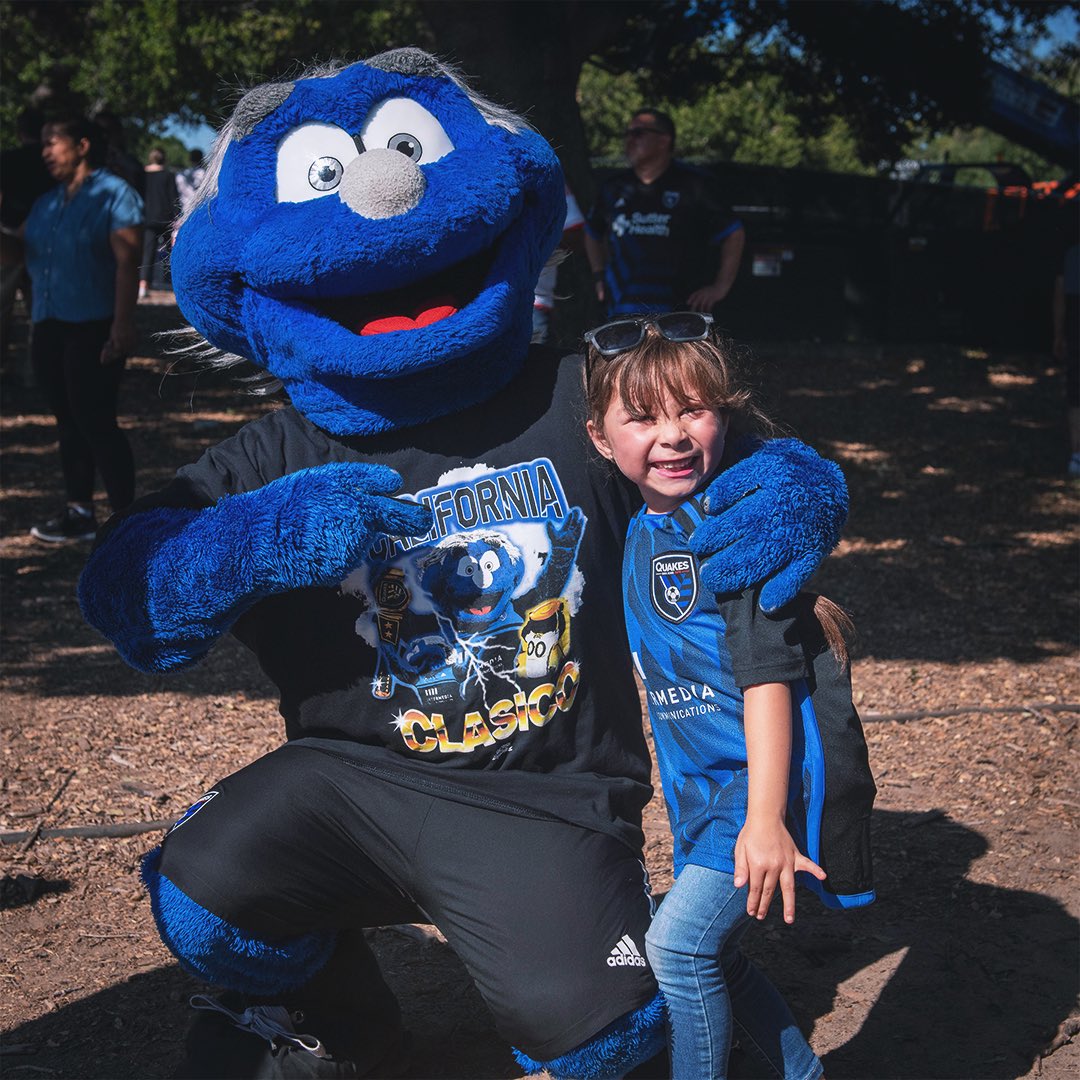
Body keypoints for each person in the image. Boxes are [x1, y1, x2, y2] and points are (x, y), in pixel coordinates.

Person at [77, 50, 849, 1080]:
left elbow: (749, 460)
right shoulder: (278, 454)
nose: (381, 193)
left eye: (408, 153)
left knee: (599, 1032)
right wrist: (249, 542)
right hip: (344, 782)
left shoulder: (582, 398)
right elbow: (124, 587)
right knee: (202, 895)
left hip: (547, 801)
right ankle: (335, 1020)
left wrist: (796, 488)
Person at [584, 312, 876, 1079]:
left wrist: (765, 820)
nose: (673, 435)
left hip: (753, 789)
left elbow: (768, 679)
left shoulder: (736, 529)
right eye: (642, 418)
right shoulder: (640, 524)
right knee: (715, 957)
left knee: (677, 949)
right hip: (700, 794)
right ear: (599, 438)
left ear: (726, 414)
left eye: (693, 410)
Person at [16, 115, 143, 542]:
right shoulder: (46, 203)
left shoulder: (113, 194)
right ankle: (79, 512)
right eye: (44, 145)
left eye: (54, 142)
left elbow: (127, 262)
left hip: (93, 325)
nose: (46, 151)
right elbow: (18, 251)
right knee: (66, 420)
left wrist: (122, 325)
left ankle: (129, 520)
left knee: (96, 420)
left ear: (83, 145)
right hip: (49, 325)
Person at [585, 109, 745, 317]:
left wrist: (719, 287)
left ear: (663, 141)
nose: (630, 140)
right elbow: (592, 232)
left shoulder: (694, 185)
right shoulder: (613, 188)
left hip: (679, 313)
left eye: (639, 133)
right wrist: (599, 275)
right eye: (628, 134)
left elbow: (734, 233)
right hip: (622, 312)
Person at [532, 184, 584, 344]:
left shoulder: (546, 175)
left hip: (533, 304)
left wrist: (532, 241)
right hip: (469, 304)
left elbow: (574, 230)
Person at [1051, 239, 1080, 477]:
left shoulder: (1072, 255)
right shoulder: (1071, 256)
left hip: (1076, 331)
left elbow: (1061, 296)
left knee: (1076, 392)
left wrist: (1058, 334)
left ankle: (1077, 453)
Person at [139, 147, 180, 299]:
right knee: (169, 252)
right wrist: (177, 216)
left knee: (147, 252)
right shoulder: (168, 175)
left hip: (148, 217)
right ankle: (173, 283)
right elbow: (173, 197)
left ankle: (143, 284)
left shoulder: (143, 175)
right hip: (165, 218)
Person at [175, 148, 206, 218]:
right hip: (199, 208)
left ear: (190, 159)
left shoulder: (182, 175)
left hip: (185, 208)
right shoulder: (204, 174)